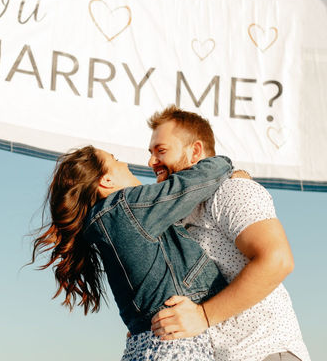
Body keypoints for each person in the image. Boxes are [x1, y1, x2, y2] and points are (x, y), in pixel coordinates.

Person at [31, 145, 234, 360]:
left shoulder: (105, 226)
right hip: (175, 346)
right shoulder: (125, 208)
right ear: (106, 181)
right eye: (115, 159)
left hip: (146, 347)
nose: (125, 164)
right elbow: (195, 182)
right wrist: (227, 165)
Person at [147, 106, 310, 361]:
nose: (151, 162)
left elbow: (278, 260)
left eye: (161, 151)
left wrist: (203, 316)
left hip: (264, 352)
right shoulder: (177, 214)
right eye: (151, 152)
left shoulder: (231, 190)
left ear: (195, 151)